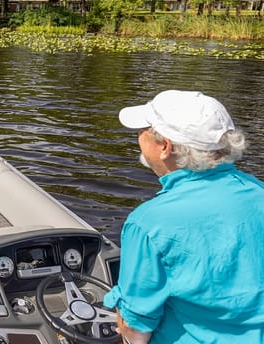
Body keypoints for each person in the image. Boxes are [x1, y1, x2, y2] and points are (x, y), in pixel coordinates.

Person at [104, 90, 264, 343]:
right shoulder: (257, 190)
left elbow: (136, 331)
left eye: (143, 130)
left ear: (165, 147)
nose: (138, 137)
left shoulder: (148, 222)